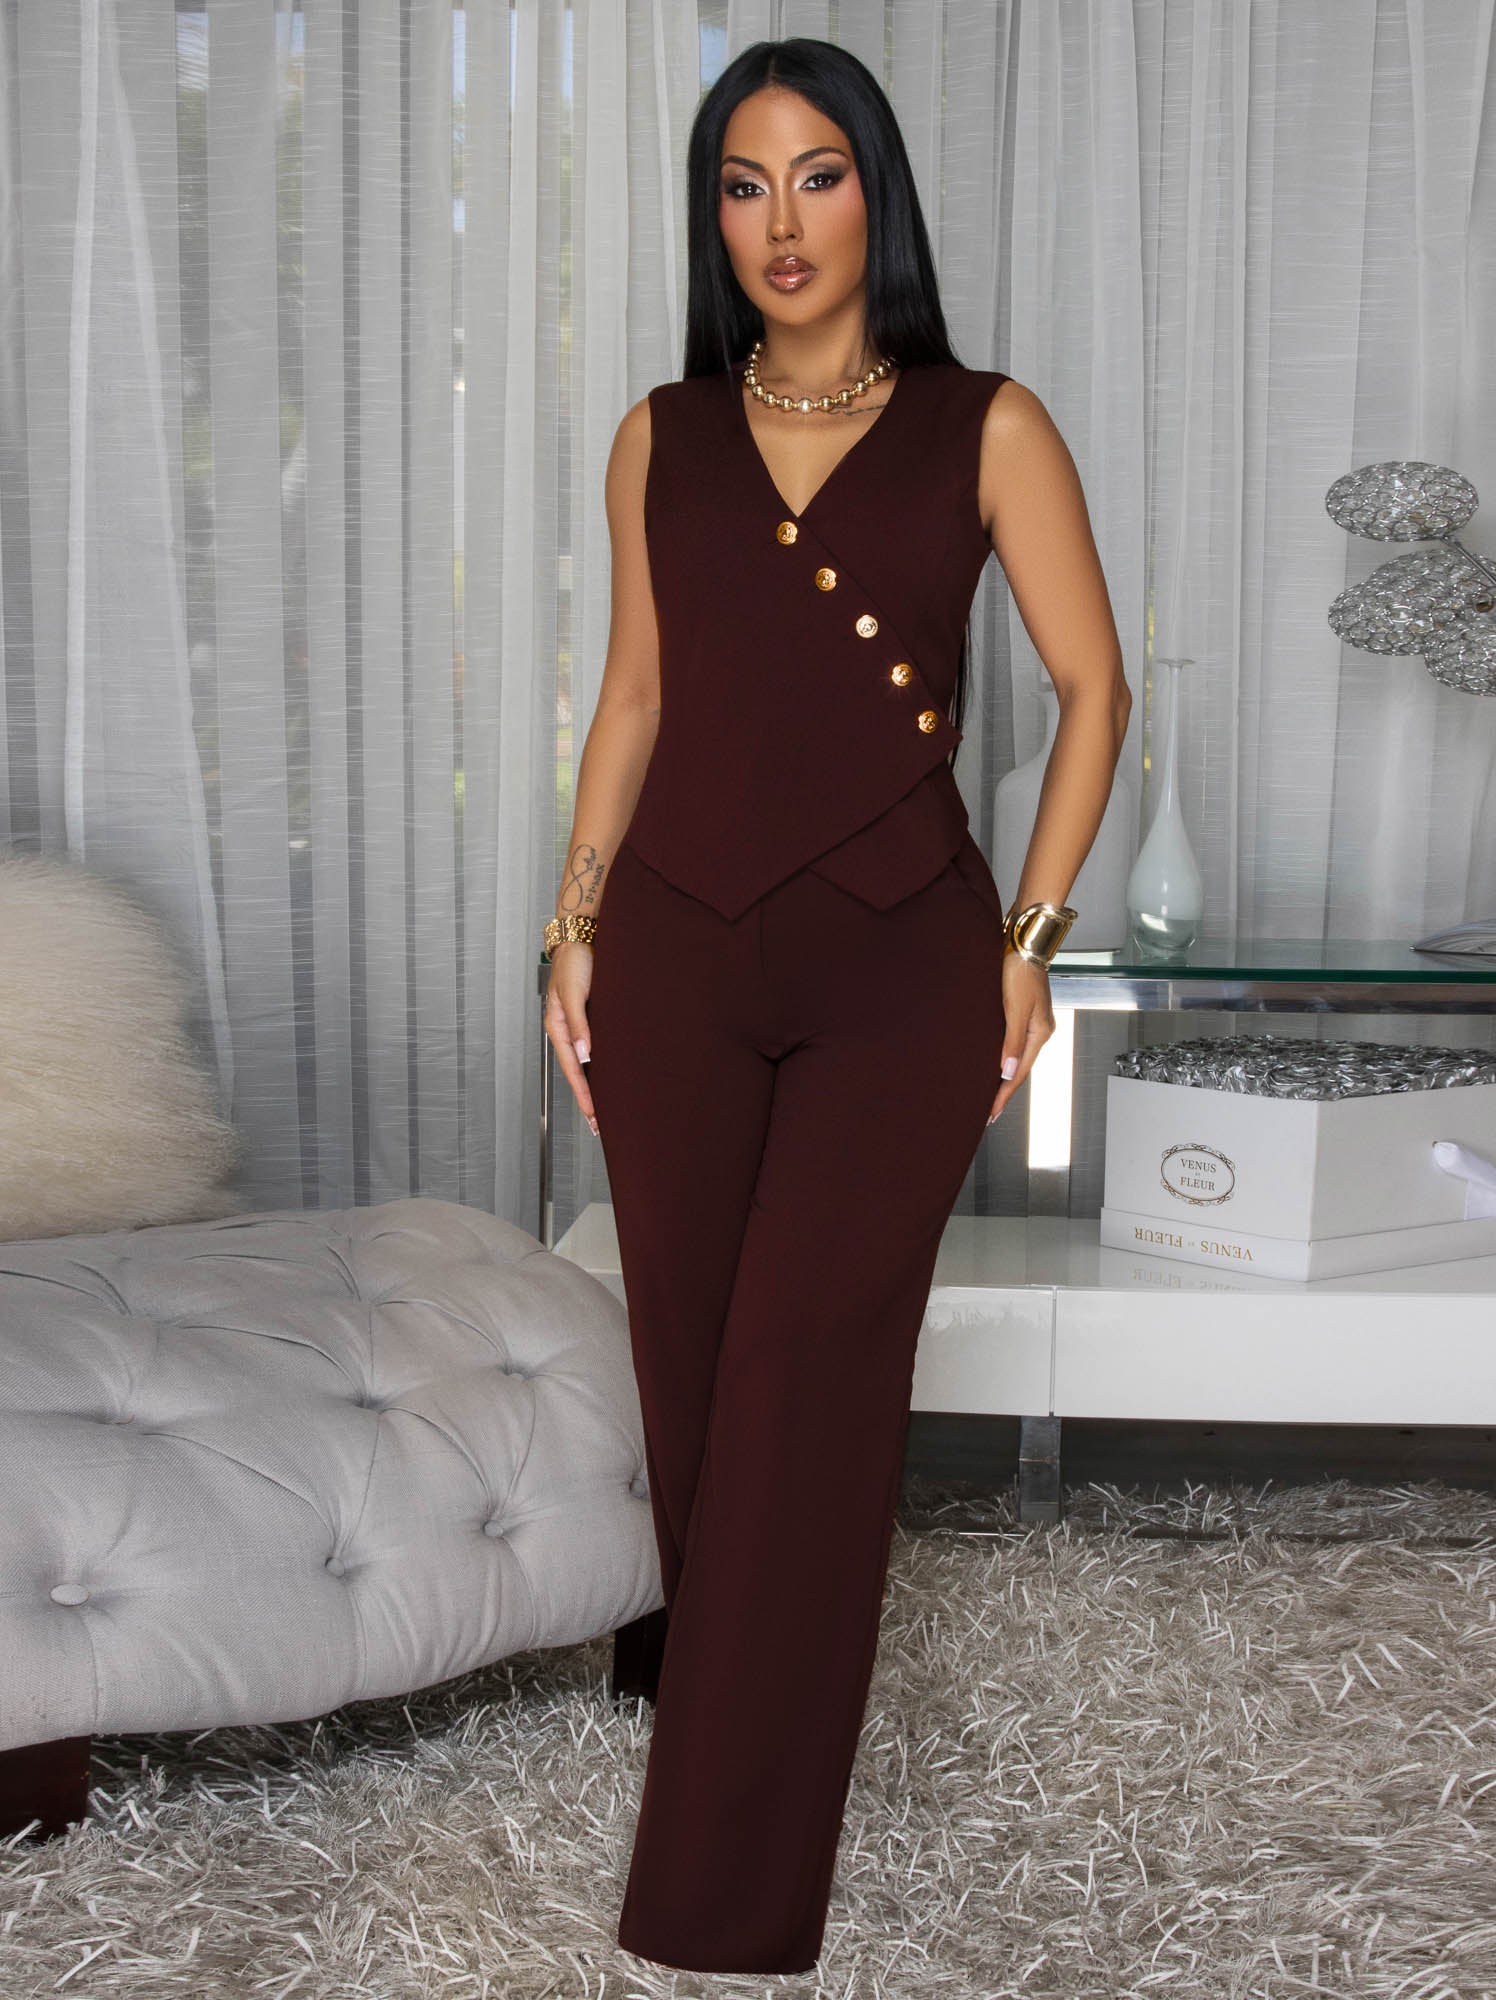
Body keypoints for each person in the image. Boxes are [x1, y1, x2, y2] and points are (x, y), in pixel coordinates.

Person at [540, 35, 1130, 1980]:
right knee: (695, 1381)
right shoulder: (659, 435)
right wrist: (571, 924)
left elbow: (1093, 691)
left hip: (899, 970)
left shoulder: (987, 425)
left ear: (877, 190)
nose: (779, 221)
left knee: (806, 1379)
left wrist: (1027, 941)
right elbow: (635, 698)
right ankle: (702, 1685)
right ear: (710, 218)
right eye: (742, 183)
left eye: (817, 174)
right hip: (676, 956)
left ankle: (716, 1895)